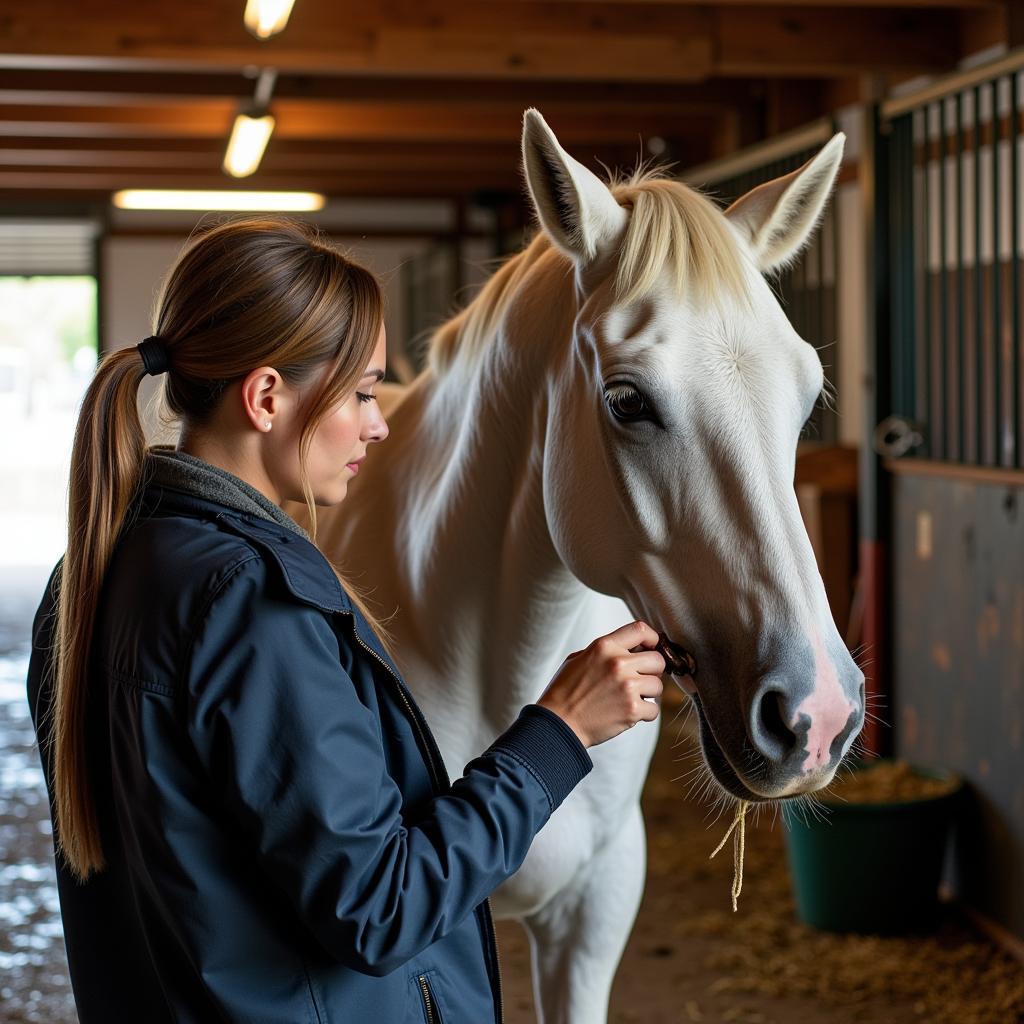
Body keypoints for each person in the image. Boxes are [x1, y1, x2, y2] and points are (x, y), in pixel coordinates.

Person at [26, 217, 666, 1023]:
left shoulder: (91, 572)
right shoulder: (249, 603)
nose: (379, 421)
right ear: (265, 398)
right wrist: (558, 734)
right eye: (361, 391)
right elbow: (380, 906)